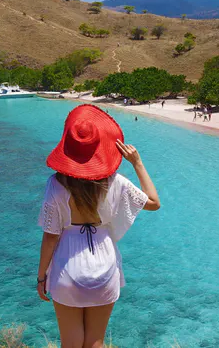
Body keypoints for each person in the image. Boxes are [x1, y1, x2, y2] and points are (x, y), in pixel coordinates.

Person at [37, 104, 161, 348]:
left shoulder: (55, 184)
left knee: (71, 342)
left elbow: (51, 236)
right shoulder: (115, 182)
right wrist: (137, 163)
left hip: (67, 266)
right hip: (104, 265)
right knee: (96, 341)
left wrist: (42, 277)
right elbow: (154, 203)